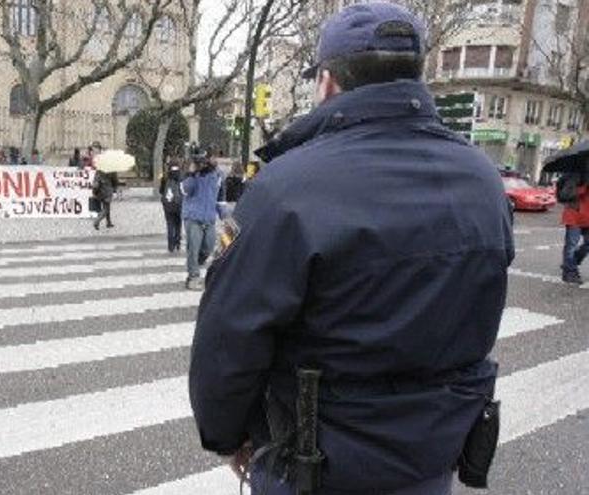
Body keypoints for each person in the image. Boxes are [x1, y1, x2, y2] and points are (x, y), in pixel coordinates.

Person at [189, 4, 513, 495]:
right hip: (429, 462)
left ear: (327, 83)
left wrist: (226, 436)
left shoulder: (288, 186)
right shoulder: (485, 181)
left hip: (314, 466)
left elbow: (229, 338)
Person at [181, 150, 223, 290]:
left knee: (208, 247)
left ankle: (194, 264)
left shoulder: (217, 175)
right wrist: (192, 174)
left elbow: (220, 197)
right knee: (194, 247)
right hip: (193, 217)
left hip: (209, 218)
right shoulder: (193, 176)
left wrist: (225, 214)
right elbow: (186, 190)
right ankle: (193, 276)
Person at [560, 167, 589, 284]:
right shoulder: (573, 175)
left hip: (587, 216)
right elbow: (565, 194)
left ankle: (570, 263)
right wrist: (584, 187)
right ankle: (569, 273)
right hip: (574, 215)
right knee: (571, 246)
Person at [159, 159, 184, 253]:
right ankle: (178, 243)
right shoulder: (182, 176)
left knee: (170, 224)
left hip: (168, 205)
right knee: (178, 224)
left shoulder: (165, 176)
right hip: (179, 204)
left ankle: (170, 246)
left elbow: (161, 191)